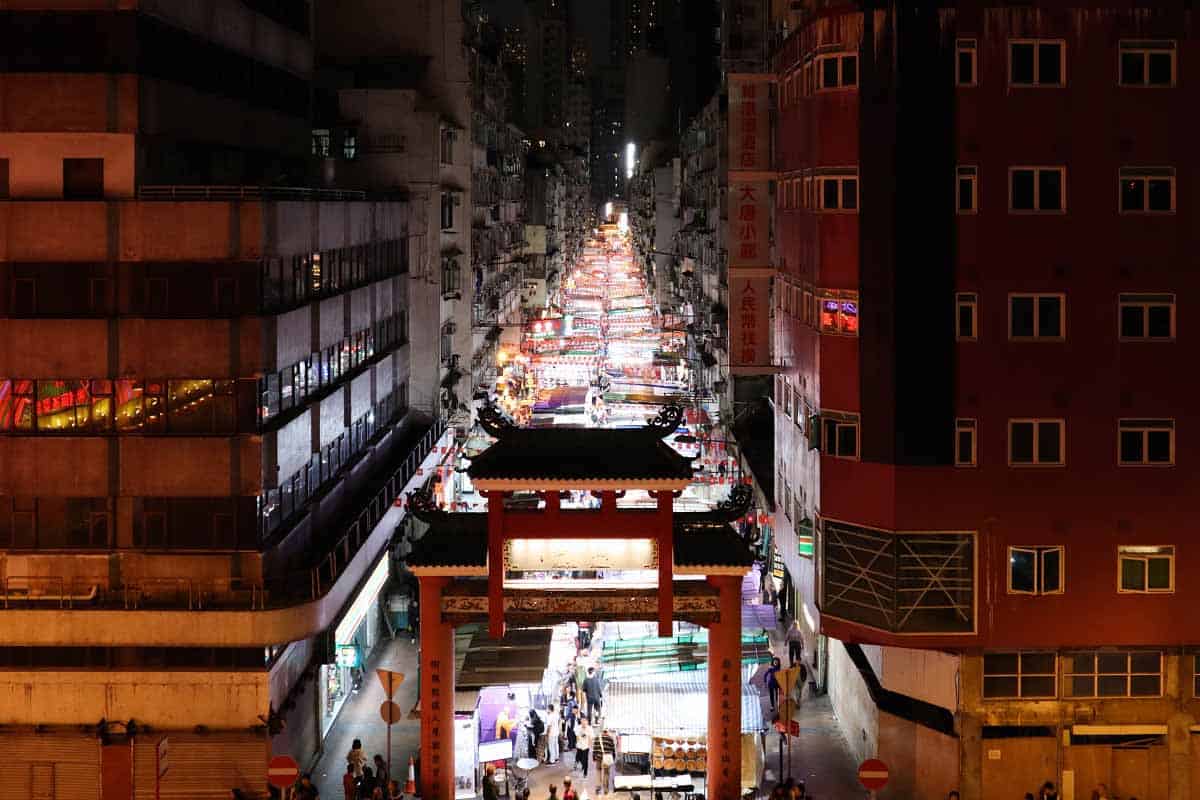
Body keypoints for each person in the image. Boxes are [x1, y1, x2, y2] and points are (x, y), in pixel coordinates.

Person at [593, 725, 616, 795]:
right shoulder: (610, 738)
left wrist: (594, 757)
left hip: (599, 758)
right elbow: (613, 749)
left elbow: (594, 748)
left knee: (598, 771)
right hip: (607, 758)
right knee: (606, 773)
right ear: (607, 731)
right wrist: (613, 757)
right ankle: (605, 789)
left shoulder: (597, 737)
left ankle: (598, 787)